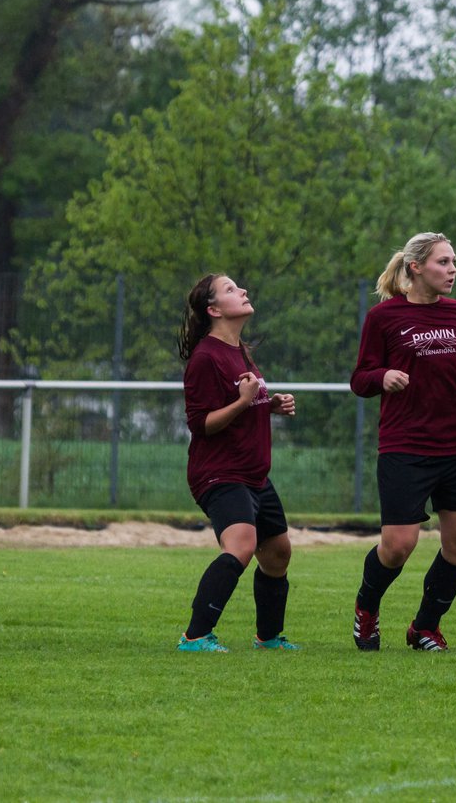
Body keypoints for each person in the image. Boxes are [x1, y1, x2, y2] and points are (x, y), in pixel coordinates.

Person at [349, 232, 456, 652]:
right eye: (443, 262)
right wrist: (382, 376)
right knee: (398, 546)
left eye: (454, 262)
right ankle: (367, 608)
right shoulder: (384, 317)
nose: (452, 270)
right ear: (416, 267)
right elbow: (360, 379)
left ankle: (425, 626)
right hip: (405, 448)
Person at [176, 274, 300, 653]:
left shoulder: (239, 349)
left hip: (253, 474)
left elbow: (241, 403)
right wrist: (246, 401)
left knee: (278, 552)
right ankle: (194, 637)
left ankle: (269, 638)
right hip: (219, 472)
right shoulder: (205, 357)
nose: (243, 291)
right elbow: (202, 423)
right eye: (231, 290)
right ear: (213, 310)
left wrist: (268, 403)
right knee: (241, 546)